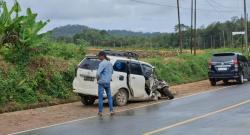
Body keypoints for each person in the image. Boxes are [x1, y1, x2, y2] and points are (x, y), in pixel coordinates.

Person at [96, 51, 114, 116]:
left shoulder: (102, 63)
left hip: (101, 82)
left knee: (100, 97)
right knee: (109, 96)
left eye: (99, 56)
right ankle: (111, 111)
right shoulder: (110, 64)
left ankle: (100, 112)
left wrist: (97, 79)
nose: (98, 57)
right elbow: (111, 72)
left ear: (102, 56)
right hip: (108, 82)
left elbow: (98, 73)